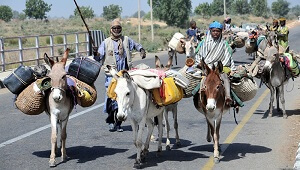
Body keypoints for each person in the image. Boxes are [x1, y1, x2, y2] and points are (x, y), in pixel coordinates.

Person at [93, 19, 146, 132]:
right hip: (112, 76)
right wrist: (96, 53)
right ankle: (111, 121)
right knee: (112, 98)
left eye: (118, 28)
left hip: (125, 76)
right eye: (114, 28)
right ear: (110, 30)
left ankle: (119, 123)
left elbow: (136, 45)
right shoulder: (106, 42)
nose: (116, 30)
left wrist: (141, 49)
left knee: (124, 99)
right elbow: (98, 57)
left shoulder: (126, 40)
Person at [194, 21, 236, 106]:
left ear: (221, 32)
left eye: (218, 31)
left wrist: (220, 67)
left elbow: (227, 57)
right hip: (206, 67)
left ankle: (228, 96)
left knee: (225, 77)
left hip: (220, 67)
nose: (215, 33)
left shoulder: (224, 44)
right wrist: (202, 65)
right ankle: (198, 99)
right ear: (210, 31)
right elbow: (199, 55)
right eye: (213, 31)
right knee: (199, 79)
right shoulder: (204, 43)